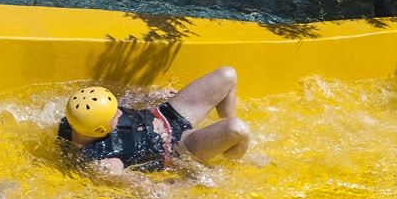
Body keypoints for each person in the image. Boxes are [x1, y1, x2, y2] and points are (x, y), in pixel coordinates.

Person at [59, 66, 252, 177]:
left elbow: (125, 105)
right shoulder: (104, 159)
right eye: (114, 114)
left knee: (227, 75)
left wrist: (150, 97)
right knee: (238, 129)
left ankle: (225, 125)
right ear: (100, 128)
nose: (119, 113)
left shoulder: (80, 117)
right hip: (177, 146)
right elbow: (140, 187)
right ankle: (235, 159)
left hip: (165, 113)